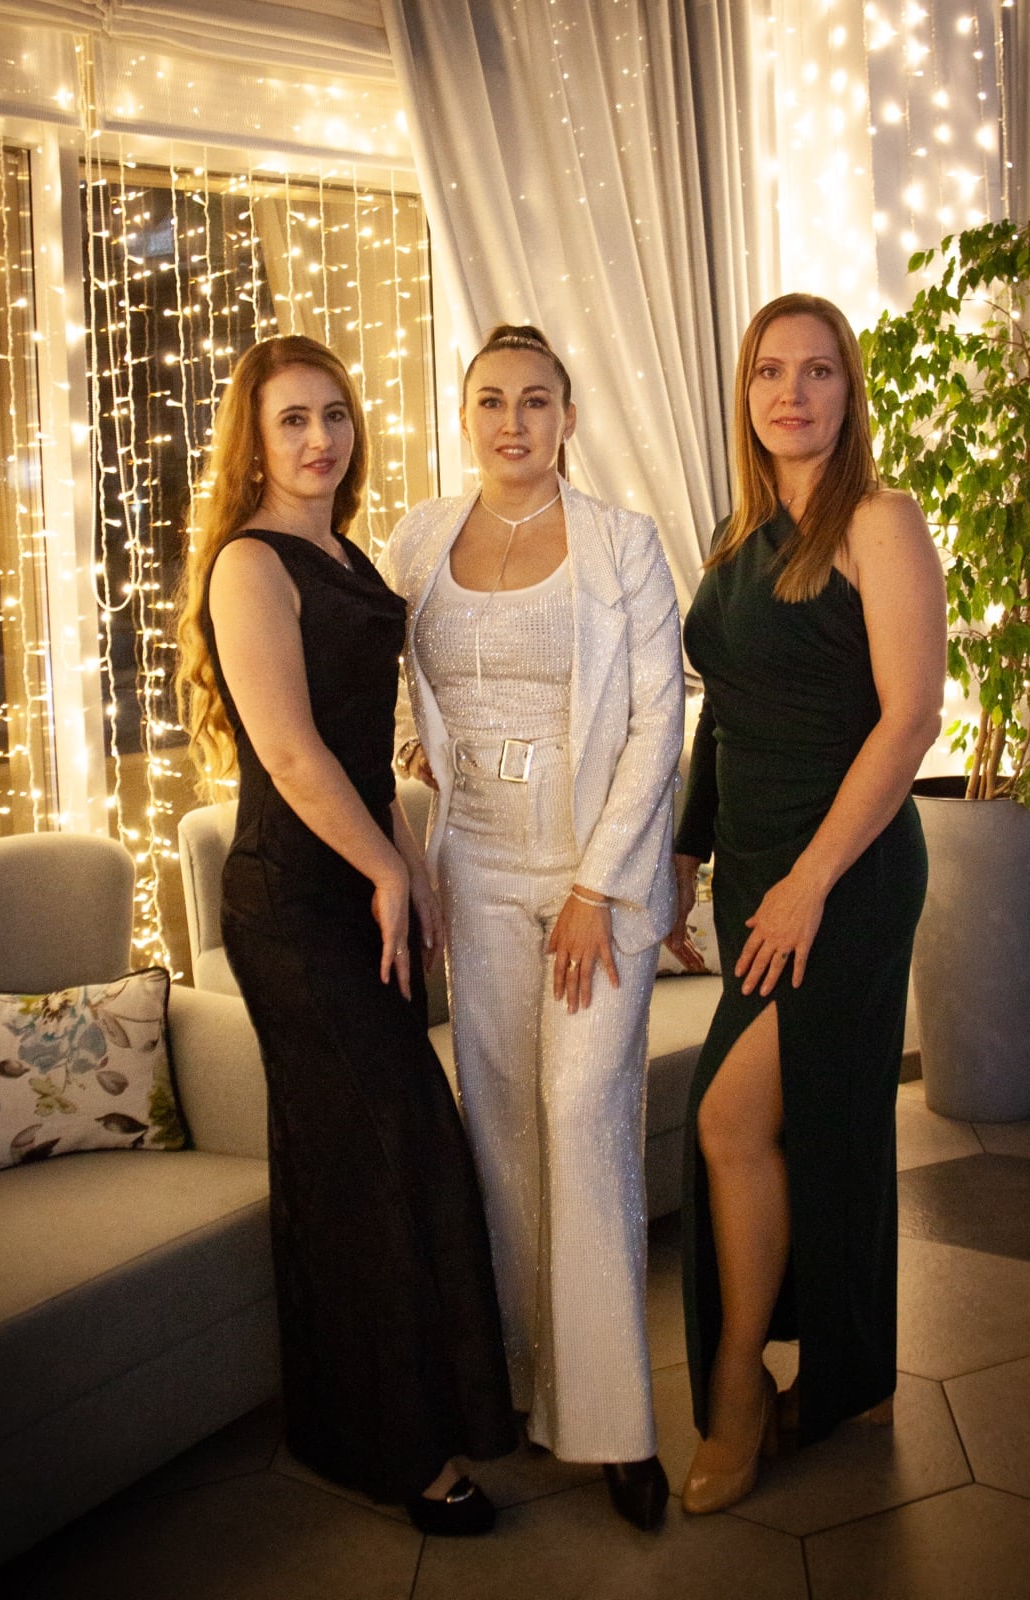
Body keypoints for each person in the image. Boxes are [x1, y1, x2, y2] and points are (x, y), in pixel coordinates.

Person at [174, 334, 515, 1535]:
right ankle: (401, 1450)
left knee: (361, 1157)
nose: (319, 439)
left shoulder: (346, 552)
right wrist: (382, 868)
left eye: (333, 415)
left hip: (359, 887)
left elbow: (368, 752)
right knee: (380, 1151)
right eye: (291, 420)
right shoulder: (248, 565)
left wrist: (410, 863)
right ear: (253, 442)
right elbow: (286, 749)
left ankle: (357, 1422)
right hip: (291, 905)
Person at [381, 325, 684, 1531]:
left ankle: (615, 1427)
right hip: (474, 870)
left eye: (536, 400)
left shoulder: (621, 541)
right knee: (501, 1125)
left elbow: (657, 722)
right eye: (491, 400)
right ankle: (514, 1380)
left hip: (585, 881)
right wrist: (416, 749)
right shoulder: (417, 538)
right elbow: (390, 674)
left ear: (567, 415)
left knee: (580, 1118)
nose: (513, 421)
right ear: (465, 415)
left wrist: (597, 888)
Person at [666, 293, 947, 1513]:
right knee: (827, 1126)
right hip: (753, 874)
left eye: (817, 371)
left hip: (847, 872)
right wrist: (685, 857)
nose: (791, 392)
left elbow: (911, 719)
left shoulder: (879, 520)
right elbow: (721, 715)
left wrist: (808, 884)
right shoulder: (733, 535)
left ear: (848, 390)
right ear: (744, 393)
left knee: (727, 1121)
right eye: (769, 372)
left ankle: (739, 1386)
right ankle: (852, 1373)